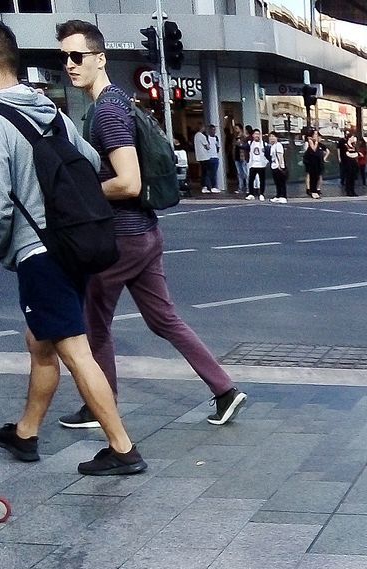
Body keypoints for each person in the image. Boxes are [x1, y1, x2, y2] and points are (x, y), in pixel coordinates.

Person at [55, 20, 246, 429]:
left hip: (121, 239)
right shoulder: (119, 101)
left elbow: (128, 182)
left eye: (77, 56)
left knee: (94, 326)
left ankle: (98, 406)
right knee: (164, 320)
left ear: (99, 58)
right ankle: (225, 390)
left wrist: (79, 192)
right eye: (64, 57)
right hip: (144, 234)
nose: (70, 65)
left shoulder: (106, 112)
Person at [0, 20, 145, 475]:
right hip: (72, 245)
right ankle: (26, 434)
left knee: (74, 350)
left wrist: (1, 249)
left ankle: (122, 448)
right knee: (40, 341)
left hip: (39, 251)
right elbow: (91, 163)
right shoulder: (48, 108)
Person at [194, 122, 221, 193]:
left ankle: (208, 186)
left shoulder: (216, 138)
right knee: (207, 173)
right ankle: (209, 186)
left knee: (210, 172)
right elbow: (207, 146)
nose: (214, 131)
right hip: (207, 157)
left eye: (214, 130)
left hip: (213, 157)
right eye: (212, 130)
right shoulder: (204, 136)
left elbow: (217, 147)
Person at [302, 129, 324, 198]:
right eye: (315, 134)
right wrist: (316, 142)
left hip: (317, 162)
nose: (316, 136)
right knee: (312, 176)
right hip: (311, 162)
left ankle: (315, 190)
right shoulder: (310, 141)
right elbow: (313, 149)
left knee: (316, 176)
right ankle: (312, 191)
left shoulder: (316, 142)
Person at [247, 127, 268, 199]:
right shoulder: (250, 143)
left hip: (261, 165)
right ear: (253, 135)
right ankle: (251, 194)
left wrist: (266, 161)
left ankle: (261, 194)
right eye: (255, 134)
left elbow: (267, 153)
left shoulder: (264, 144)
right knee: (251, 180)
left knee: (262, 180)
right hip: (253, 164)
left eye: (258, 134)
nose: (257, 135)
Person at [268, 131, 287, 202]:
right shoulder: (272, 146)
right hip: (274, 166)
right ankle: (278, 195)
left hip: (278, 166)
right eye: (270, 137)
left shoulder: (278, 145)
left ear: (276, 138)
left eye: (273, 136)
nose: (272, 138)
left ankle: (283, 196)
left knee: (281, 182)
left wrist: (280, 165)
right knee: (277, 182)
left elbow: (280, 156)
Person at [232, 124, 249, 196]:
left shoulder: (244, 137)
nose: (235, 130)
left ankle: (248, 187)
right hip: (236, 156)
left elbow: (244, 146)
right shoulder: (235, 137)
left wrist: (239, 144)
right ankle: (240, 188)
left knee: (245, 173)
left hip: (242, 156)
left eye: (236, 128)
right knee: (239, 173)